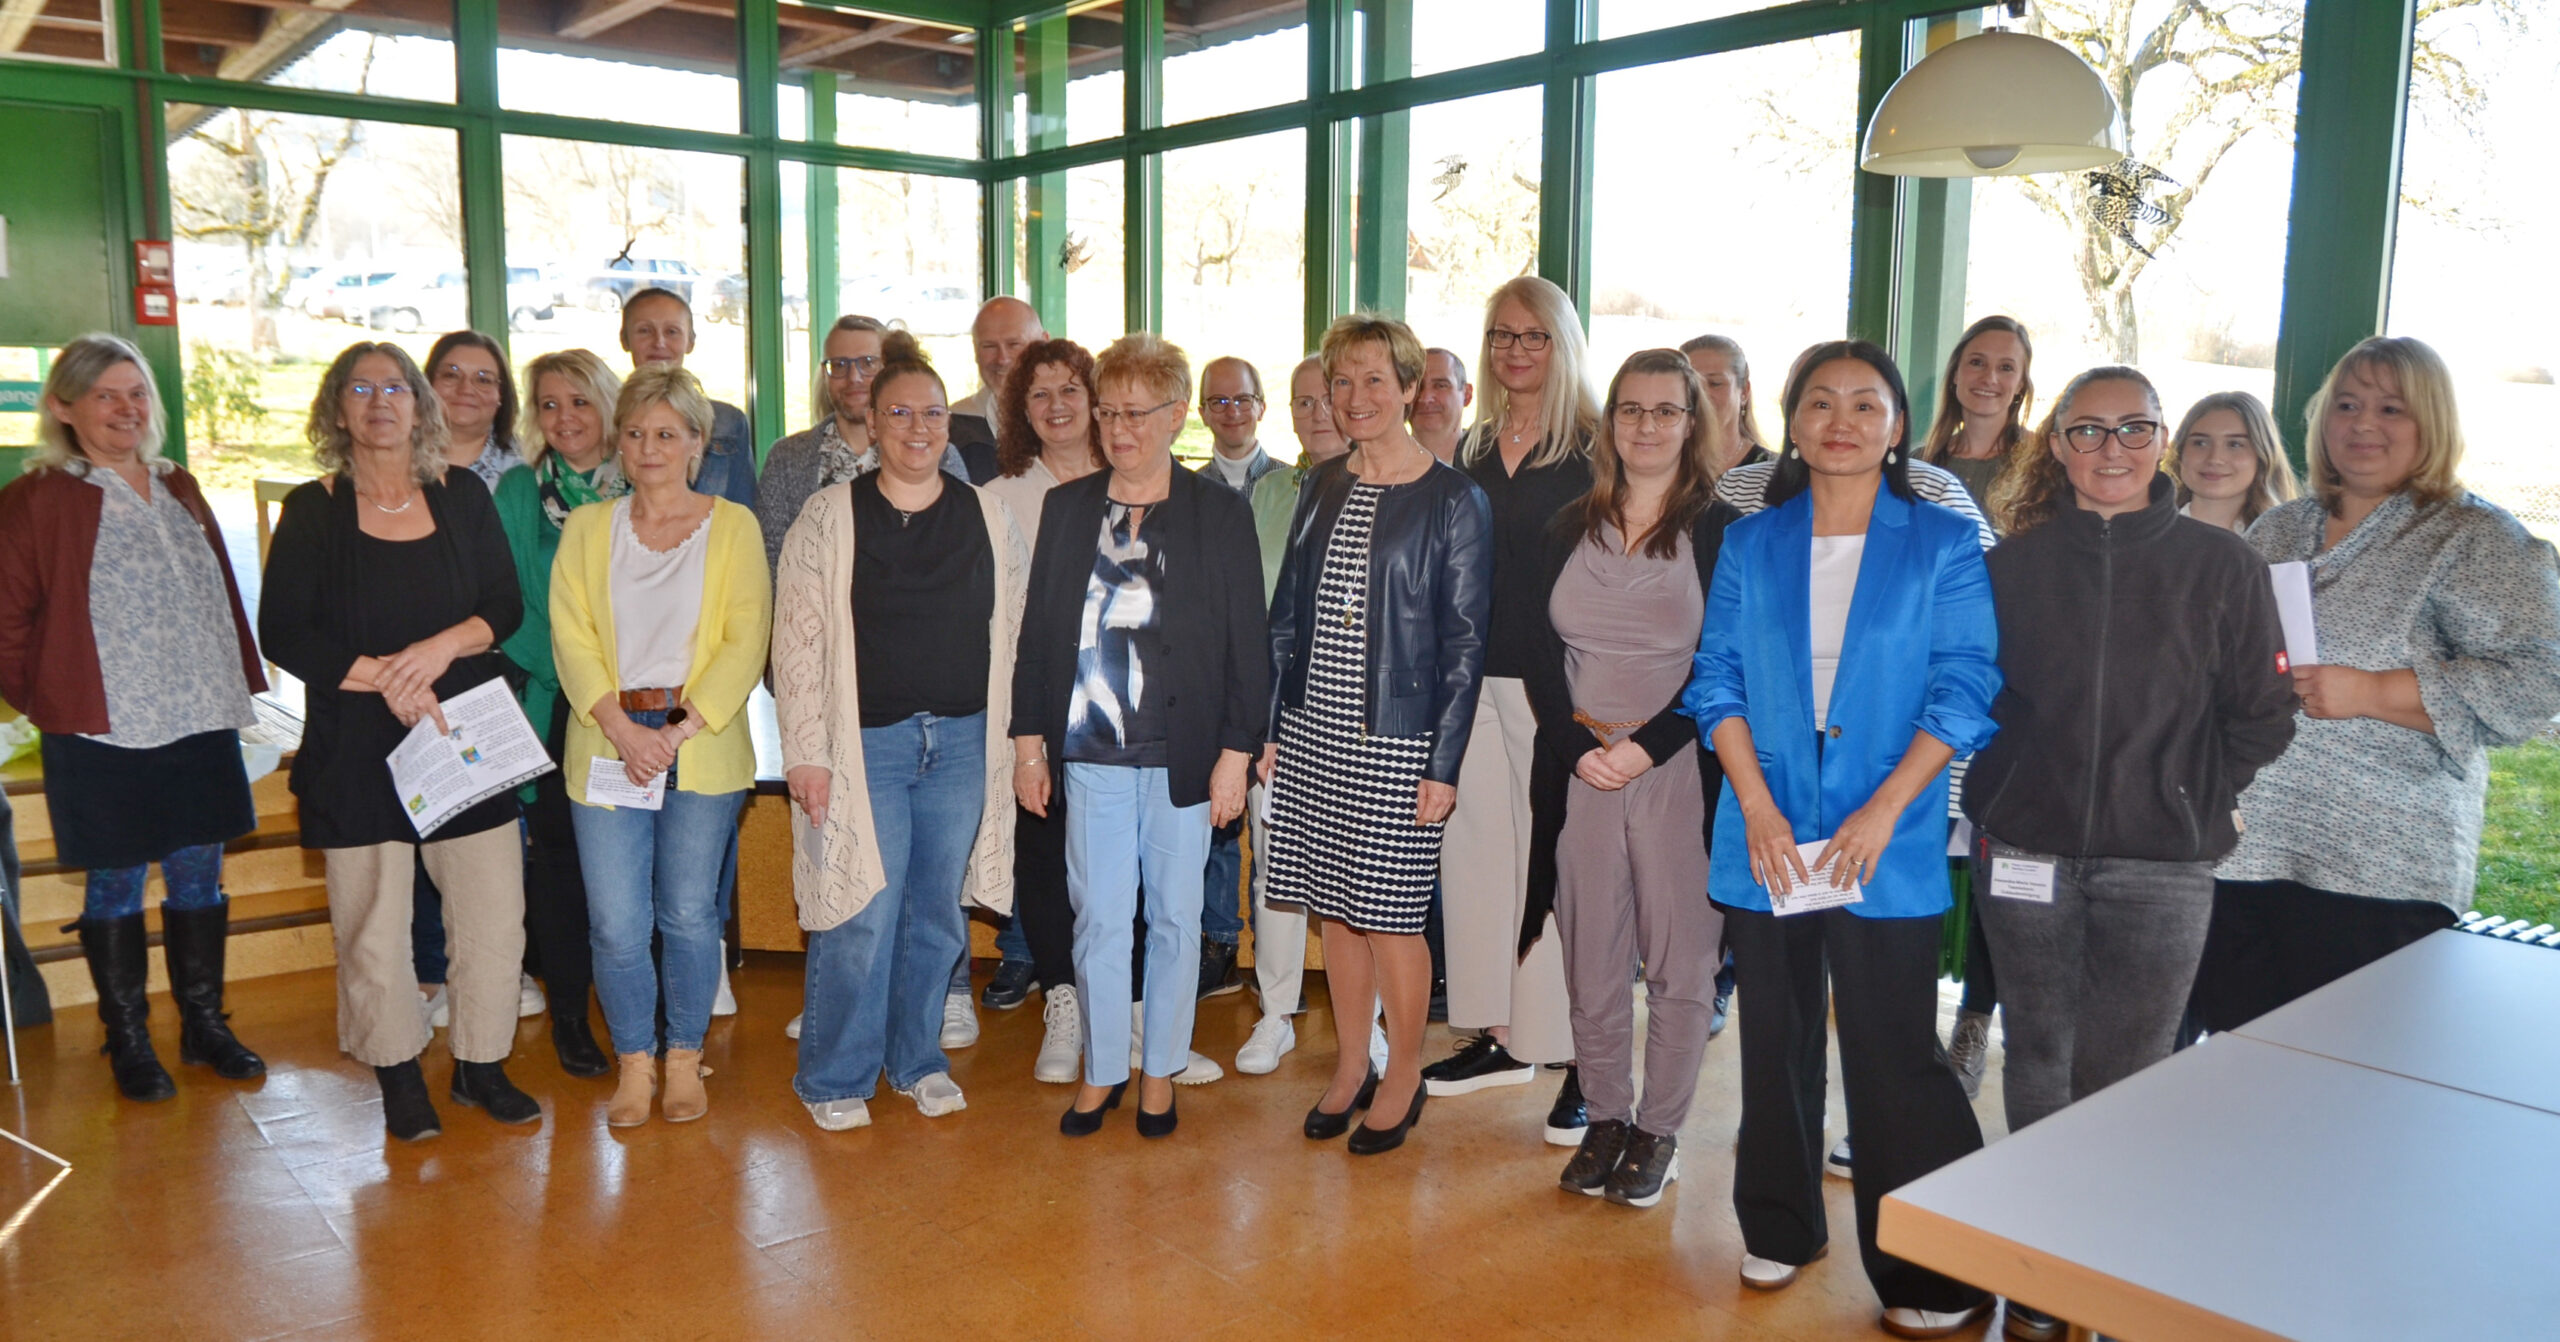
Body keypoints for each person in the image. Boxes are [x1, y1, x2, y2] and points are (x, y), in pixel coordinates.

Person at [1961, 365, 2297, 1342]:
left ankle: (2100, 1260)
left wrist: (2196, 792)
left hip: (2163, 861)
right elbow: (1976, 697)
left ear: (2159, 440)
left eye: (2133, 429)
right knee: (2038, 1049)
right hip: (2026, 848)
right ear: (2057, 445)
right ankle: (2036, 1253)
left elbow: (2264, 714)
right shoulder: (2009, 568)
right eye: (2087, 430)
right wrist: (2017, 781)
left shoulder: (2221, 567)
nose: (2111, 449)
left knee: (2130, 1064)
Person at [1680, 339, 1999, 1337]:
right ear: (1794, 421)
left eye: (1866, 404)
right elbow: (1715, 680)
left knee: (1891, 1049)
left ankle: (1930, 1265)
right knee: (1772, 1038)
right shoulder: (1752, 541)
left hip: (1884, 838)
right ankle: (1779, 1220)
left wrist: (1881, 810)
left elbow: (1964, 687)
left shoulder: (1940, 544)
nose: (1841, 421)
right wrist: (1761, 808)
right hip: (1766, 835)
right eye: (1820, 402)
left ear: (1897, 424)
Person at [2195, 336, 2560, 1032]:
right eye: (2348, 405)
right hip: (2246, 851)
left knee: (2353, 1090)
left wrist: (2373, 692)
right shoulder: (2279, 528)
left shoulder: (2475, 538)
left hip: (2379, 872)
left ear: (2432, 424)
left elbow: (2540, 679)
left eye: (2391, 409)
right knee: (2240, 1078)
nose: (2363, 425)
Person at [261, 341, 538, 1140]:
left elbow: (503, 607)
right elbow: (286, 631)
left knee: (492, 915)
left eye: (395, 388)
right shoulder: (312, 509)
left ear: (420, 405)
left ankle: (481, 1066)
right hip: (355, 744)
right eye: (360, 388)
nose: (380, 401)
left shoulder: (462, 500)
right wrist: (387, 677)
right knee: (374, 925)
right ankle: (399, 1075)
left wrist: (439, 651)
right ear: (336, 408)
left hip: (462, 735)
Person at [1012, 333, 1268, 1140]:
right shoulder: (1067, 508)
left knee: (1177, 915)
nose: (1121, 429)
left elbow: (1247, 646)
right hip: (1090, 749)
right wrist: (1028, 745)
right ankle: (1101, 1072)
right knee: (1098, 917)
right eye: (1109, 412)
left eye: (1138, 413)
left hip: (1186, 754)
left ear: (1176, 414)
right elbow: (1038, 636)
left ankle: (1159, 1071)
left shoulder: (1218, 514)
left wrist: (1236, 754)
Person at [0, 334, 267, 1101]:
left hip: (196, 713)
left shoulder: (178, 484)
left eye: (137, 393)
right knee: (115, 882)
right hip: (102, 725)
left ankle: (204, 1024)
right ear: (63, 407)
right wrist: (50, 696)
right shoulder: (38, 498)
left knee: (198, 874)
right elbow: (9, 622)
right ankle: (127, 1038)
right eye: (105, 395)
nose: (126, 409)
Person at [774, 339, 1025, 1131]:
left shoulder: (987, 513)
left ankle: (916, 1059)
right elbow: (799, 643)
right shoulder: (830, 516)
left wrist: (1024, 744)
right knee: (861, 912)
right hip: (865, 749)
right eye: (901, 413)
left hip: (961, 743)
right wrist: (807, 754)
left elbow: (1015, 636)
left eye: (934, 413)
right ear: (872, 423)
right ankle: (835, 1074)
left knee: (935, 914)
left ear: (951, 424)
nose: (919, 428)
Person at [1263, 313, 1491, 1156]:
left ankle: (1405, 1072)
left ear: (1408, 389)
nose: (1355, 398)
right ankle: (1351, 1062)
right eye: (1341, 381)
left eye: (1373, 380)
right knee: (1337, 907)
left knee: (1393, 914)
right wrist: (1274, 722)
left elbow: (1467, 641)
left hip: (1400, 740)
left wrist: (1444, 762)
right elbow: (1287, 615)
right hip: (1315, 731)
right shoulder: (1320, 484)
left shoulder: (1455, 498)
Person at [1521, 349, 1741, 1208]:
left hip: (1679, 765)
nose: (1646, 426)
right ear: (1609, 422)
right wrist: (1574, 745)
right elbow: (1537, 649)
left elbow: (1727, 663)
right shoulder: (1565, 525)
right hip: (1581, 767)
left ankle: (1660, 1132)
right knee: (1593, 957)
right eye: (1630, 410)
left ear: (1693, 423)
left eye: (1665, 411)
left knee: (1682, 962)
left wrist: (1646, 744)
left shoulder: (1722, 531)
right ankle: (1606, 1117)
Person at [551, 365, 772, 1127]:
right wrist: (620, 730)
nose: (650, 448)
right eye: (637, 433)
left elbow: (746, 639)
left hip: (700, 744)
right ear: (621, 442)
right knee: (615, 922)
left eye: (667, 434)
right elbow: (571, 636)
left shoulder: (733, 526)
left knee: (685, 914)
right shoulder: (587, 530)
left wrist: (675, 734)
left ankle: (684, 1056)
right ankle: (634, 1064)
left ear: (697, 444)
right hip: (606, 742)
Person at [1432, 275, 1597, 1144]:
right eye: (1501, 336)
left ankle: (1572, 1054)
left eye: (1533, 336)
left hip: (1553, 685)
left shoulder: (1596, 447)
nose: (1515, 351)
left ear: (1562, 343)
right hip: (1472, 683)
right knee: (1478, 863)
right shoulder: (1475, 445)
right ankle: (1500, 1036)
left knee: (1551, 870)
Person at [490, 349, 626, 1078]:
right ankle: (572, 1015)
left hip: (634, 709)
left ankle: (646, 1015)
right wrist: (569, 671)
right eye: (548, 404)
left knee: (633, 861)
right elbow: (503, 599)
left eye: (578, 401)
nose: (564, 417)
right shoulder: (518, 490)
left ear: (607, 403)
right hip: (549, 706)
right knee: (562, 866)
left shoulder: (642, 479)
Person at [978, 338, 1108, 1083]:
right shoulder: (999, 498)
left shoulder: (1135, 479)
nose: (1057, 406)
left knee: (1120, 864)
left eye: (1070, 390)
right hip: (1037, 707)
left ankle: (1121, 1007)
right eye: (1039, 395)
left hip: (1125, 707)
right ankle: (1063, 999)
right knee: (1046, 856)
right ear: (1020, 410)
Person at [1233, 355, 1356, 1075]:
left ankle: (1361, 1023)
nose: (1316, 414)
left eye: (1327, 397)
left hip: (1354, 718)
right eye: (1302, 401)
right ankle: (1277, 1010)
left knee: (1354, 871)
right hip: (1279, 712)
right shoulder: (1268, 493)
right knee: (1275, 866)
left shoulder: (1386, 485)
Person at [1193, 355, 1281, 999]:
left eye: (1241, 400)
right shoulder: (1183, 491)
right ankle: (1219, 944)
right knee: (1218, 826)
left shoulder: (1295, 484)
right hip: (1210, 682)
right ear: (1200, 411)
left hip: (1280, 684)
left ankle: (1276, 962)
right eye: (1217, 402)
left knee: (1276, 828)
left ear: (1261, 407)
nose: (1230, 412)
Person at [757, 315, 971, 576]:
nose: (853, 377)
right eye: (839, 365)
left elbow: (961, 551)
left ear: (890, 368)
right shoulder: (786, 461)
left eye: (868, 363)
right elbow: (773, 566)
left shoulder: (939, 456)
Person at [620, 286, 757, 509]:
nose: (659, 342)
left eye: (672, 331)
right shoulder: (606, 417)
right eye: (645, 330)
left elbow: (744, 510)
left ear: (690, 341)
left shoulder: (727, 424)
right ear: (624, 339)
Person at [1916, 315, 2034, 514]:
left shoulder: (2042, 464)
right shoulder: (1920, 463)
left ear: (2020, 385)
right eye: (1977, 362)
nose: (1989, 378)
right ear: (1955, 373)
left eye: (2006, 368)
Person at [2168, 390, 2299, 533]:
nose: (2215, 458)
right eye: (2200, 443)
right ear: (2180, 452)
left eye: (2235, 444)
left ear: (2263, 456)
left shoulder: (2287, 540)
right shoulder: (2147, 531)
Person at [949, 295, 1047, 482]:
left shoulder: (1074, 421)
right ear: (975, 352)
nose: (1002, 359)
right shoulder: (954, 428)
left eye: (1014, 345)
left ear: (1044, 343)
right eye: (989, 346)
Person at [428, 330, 523, 491]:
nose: (465, 389)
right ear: (427, 384)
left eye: (483, 380)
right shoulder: (395, 458)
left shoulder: (526, 469)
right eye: (451, 375)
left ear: (501, 393)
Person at [1681, 334, 1772, 471]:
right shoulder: (1660, 465)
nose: (1702, 395)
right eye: (1692, 384)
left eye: (1715, 383)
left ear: (1744, 392)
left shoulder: (1775, 472)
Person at [1411, 347, 1475, 464]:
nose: (1426, 398)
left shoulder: (1490, 464)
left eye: (1440, 386)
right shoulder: (1379, 465)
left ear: (1467, 395)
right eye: (1418, 387)